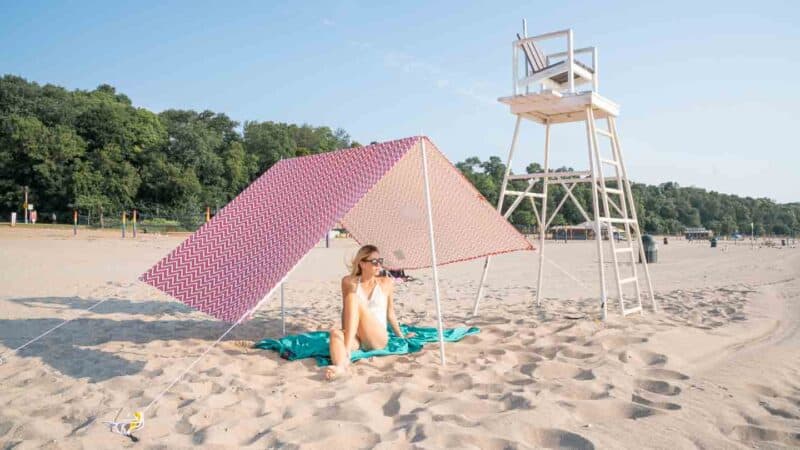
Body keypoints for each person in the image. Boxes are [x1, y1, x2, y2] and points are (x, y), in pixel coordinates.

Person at [325, 244, 409, 380]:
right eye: (374, 262)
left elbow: (390, 313)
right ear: (362, 264)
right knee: (335, 333)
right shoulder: (348, 282)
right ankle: (341, 367)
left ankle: (346, 351)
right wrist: (345, 332)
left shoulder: (386, 282)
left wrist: (401, 336)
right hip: (358, 337)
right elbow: (347, 310)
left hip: (377, 337)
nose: (379, 265)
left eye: (380, 261)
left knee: (352, 297)